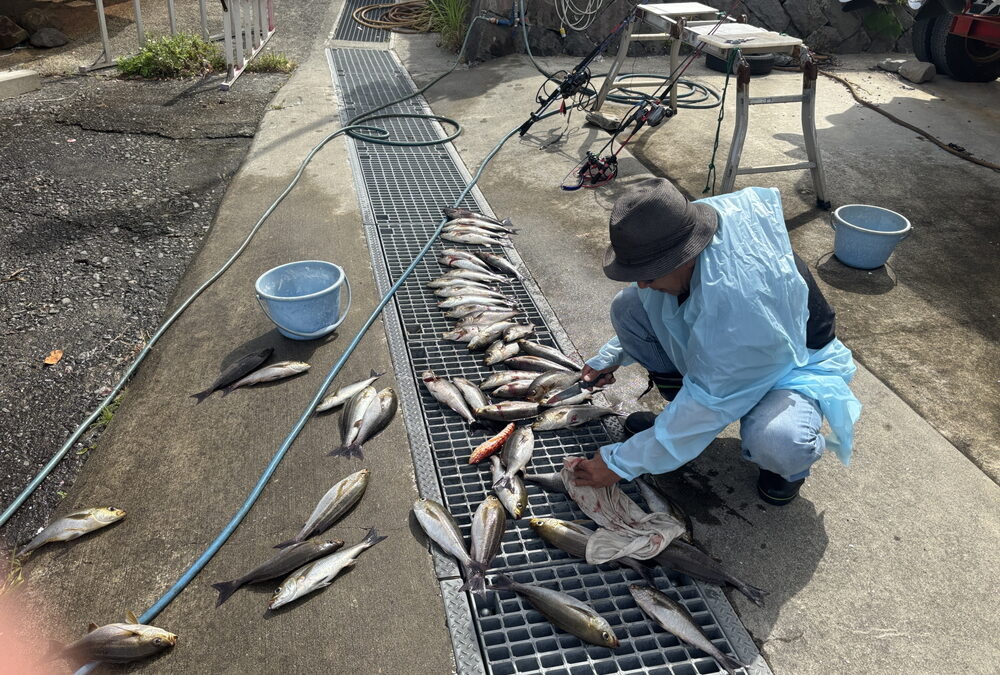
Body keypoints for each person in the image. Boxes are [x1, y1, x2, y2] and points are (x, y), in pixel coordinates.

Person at [571, 178, 862, 505]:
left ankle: (789, 467)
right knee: (629, 306)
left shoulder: (739, 301)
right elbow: (658, 308)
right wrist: (611, 355)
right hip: (738, 354)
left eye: (649, 273)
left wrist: (620, 463)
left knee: (780, 441)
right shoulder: (688, 236)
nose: (642, 282)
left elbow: (711, 398)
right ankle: (678, 428)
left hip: (793, 365)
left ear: (683, 258)